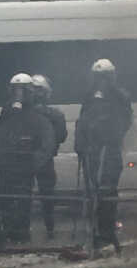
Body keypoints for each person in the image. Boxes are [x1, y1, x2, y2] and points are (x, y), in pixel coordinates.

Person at [74, 58, 131, 251]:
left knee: (107, 191)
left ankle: (107, 233)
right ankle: (96, 231)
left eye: (104, 78)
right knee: (93, 191)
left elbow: (125, 122)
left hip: (109, 151)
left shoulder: (120, 97)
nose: (101, 82)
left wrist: (107, 132)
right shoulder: (89, 97)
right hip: (93, 151)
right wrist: (80, 144)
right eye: (98, 78)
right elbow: (82, 122)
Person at [0, 72, 50, 245]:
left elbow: (42, 135)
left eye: (22, 90)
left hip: (25, 160)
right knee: (5, 198)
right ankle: (7, 230)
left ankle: (21, 233)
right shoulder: (7, 111)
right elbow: (0, 133)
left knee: (23, 198)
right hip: (7, 160)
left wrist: (35, 158)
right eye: (15, 90)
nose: (19, 94)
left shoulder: (36, 112)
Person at [31, 74, 68, 237]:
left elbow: (60, 136)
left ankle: (46, 229)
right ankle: (48, 229)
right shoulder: (54, 114)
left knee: (41, 195)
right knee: (45, 196)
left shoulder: (53, 114)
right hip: (40, 159)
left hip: (37, 159)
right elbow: (61, 136)